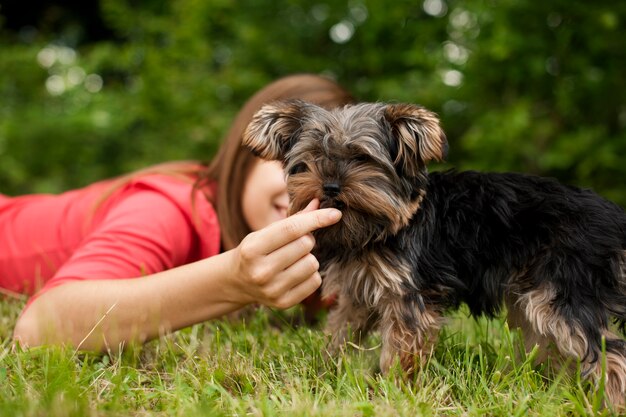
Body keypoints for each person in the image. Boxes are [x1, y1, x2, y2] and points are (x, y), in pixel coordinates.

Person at [1, 74, 355, 351]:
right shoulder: (170, 206)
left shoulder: (327, 249)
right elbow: (38, 328)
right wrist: (233, 279)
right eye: (296, 163)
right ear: (246, 153)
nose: (317, 190)